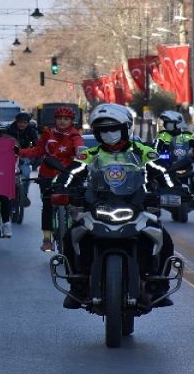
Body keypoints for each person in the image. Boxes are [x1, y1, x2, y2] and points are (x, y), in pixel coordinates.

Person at [60, 103, 176, 309]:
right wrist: (59, 187)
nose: (108, 133)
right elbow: (70, 173)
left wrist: (174, 189)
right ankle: (76, 285)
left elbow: (162, 172)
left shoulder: (143, 152)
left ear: (125, 128)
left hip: (137, 207)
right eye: (103, 130)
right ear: (96, 132)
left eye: (113, 128)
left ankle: (159, 285)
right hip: (98, 207)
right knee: (70, 237)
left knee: (164, 239)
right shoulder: (89, 154)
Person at [18, 106, 84, 252]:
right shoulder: (48, 134)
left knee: (75, 203)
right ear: (55, 120)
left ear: (71, 121)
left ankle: (76, 227)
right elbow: (38, 150)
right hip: (47, 174)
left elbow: (81, 153)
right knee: (47, 205)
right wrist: (19, 152)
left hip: (67, 175)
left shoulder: (75, 136)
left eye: (66, 119)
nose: (62, 121)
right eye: (59, 118)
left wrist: (82, 156)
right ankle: (47, 239)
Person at [152, 110, 194, 207]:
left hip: (184, 162)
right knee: (153, 175)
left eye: (169, 123)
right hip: (168, 164)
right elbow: (155, 148)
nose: (166, 124)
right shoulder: (162, 135)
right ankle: (153, 200)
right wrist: (155, 154)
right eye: (166, 122)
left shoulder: (188, 135)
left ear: (177, 123)